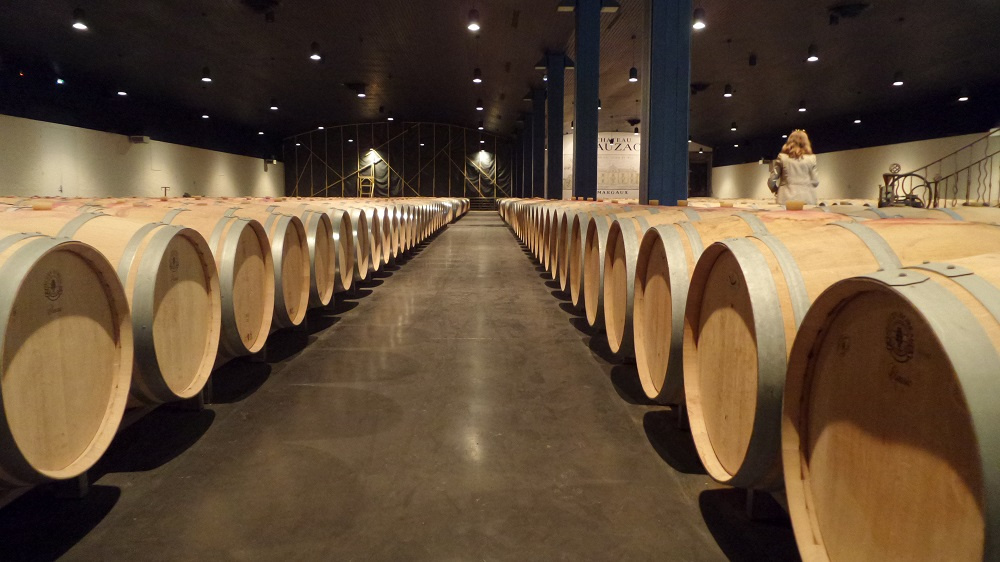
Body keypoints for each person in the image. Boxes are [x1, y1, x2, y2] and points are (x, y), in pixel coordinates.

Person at [768, 129, 819, 205]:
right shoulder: (812, 158)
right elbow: (815, 182)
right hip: (808, 199)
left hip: (785, 199)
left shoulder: (782, 157)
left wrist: (776, 190)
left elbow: (771, 181)